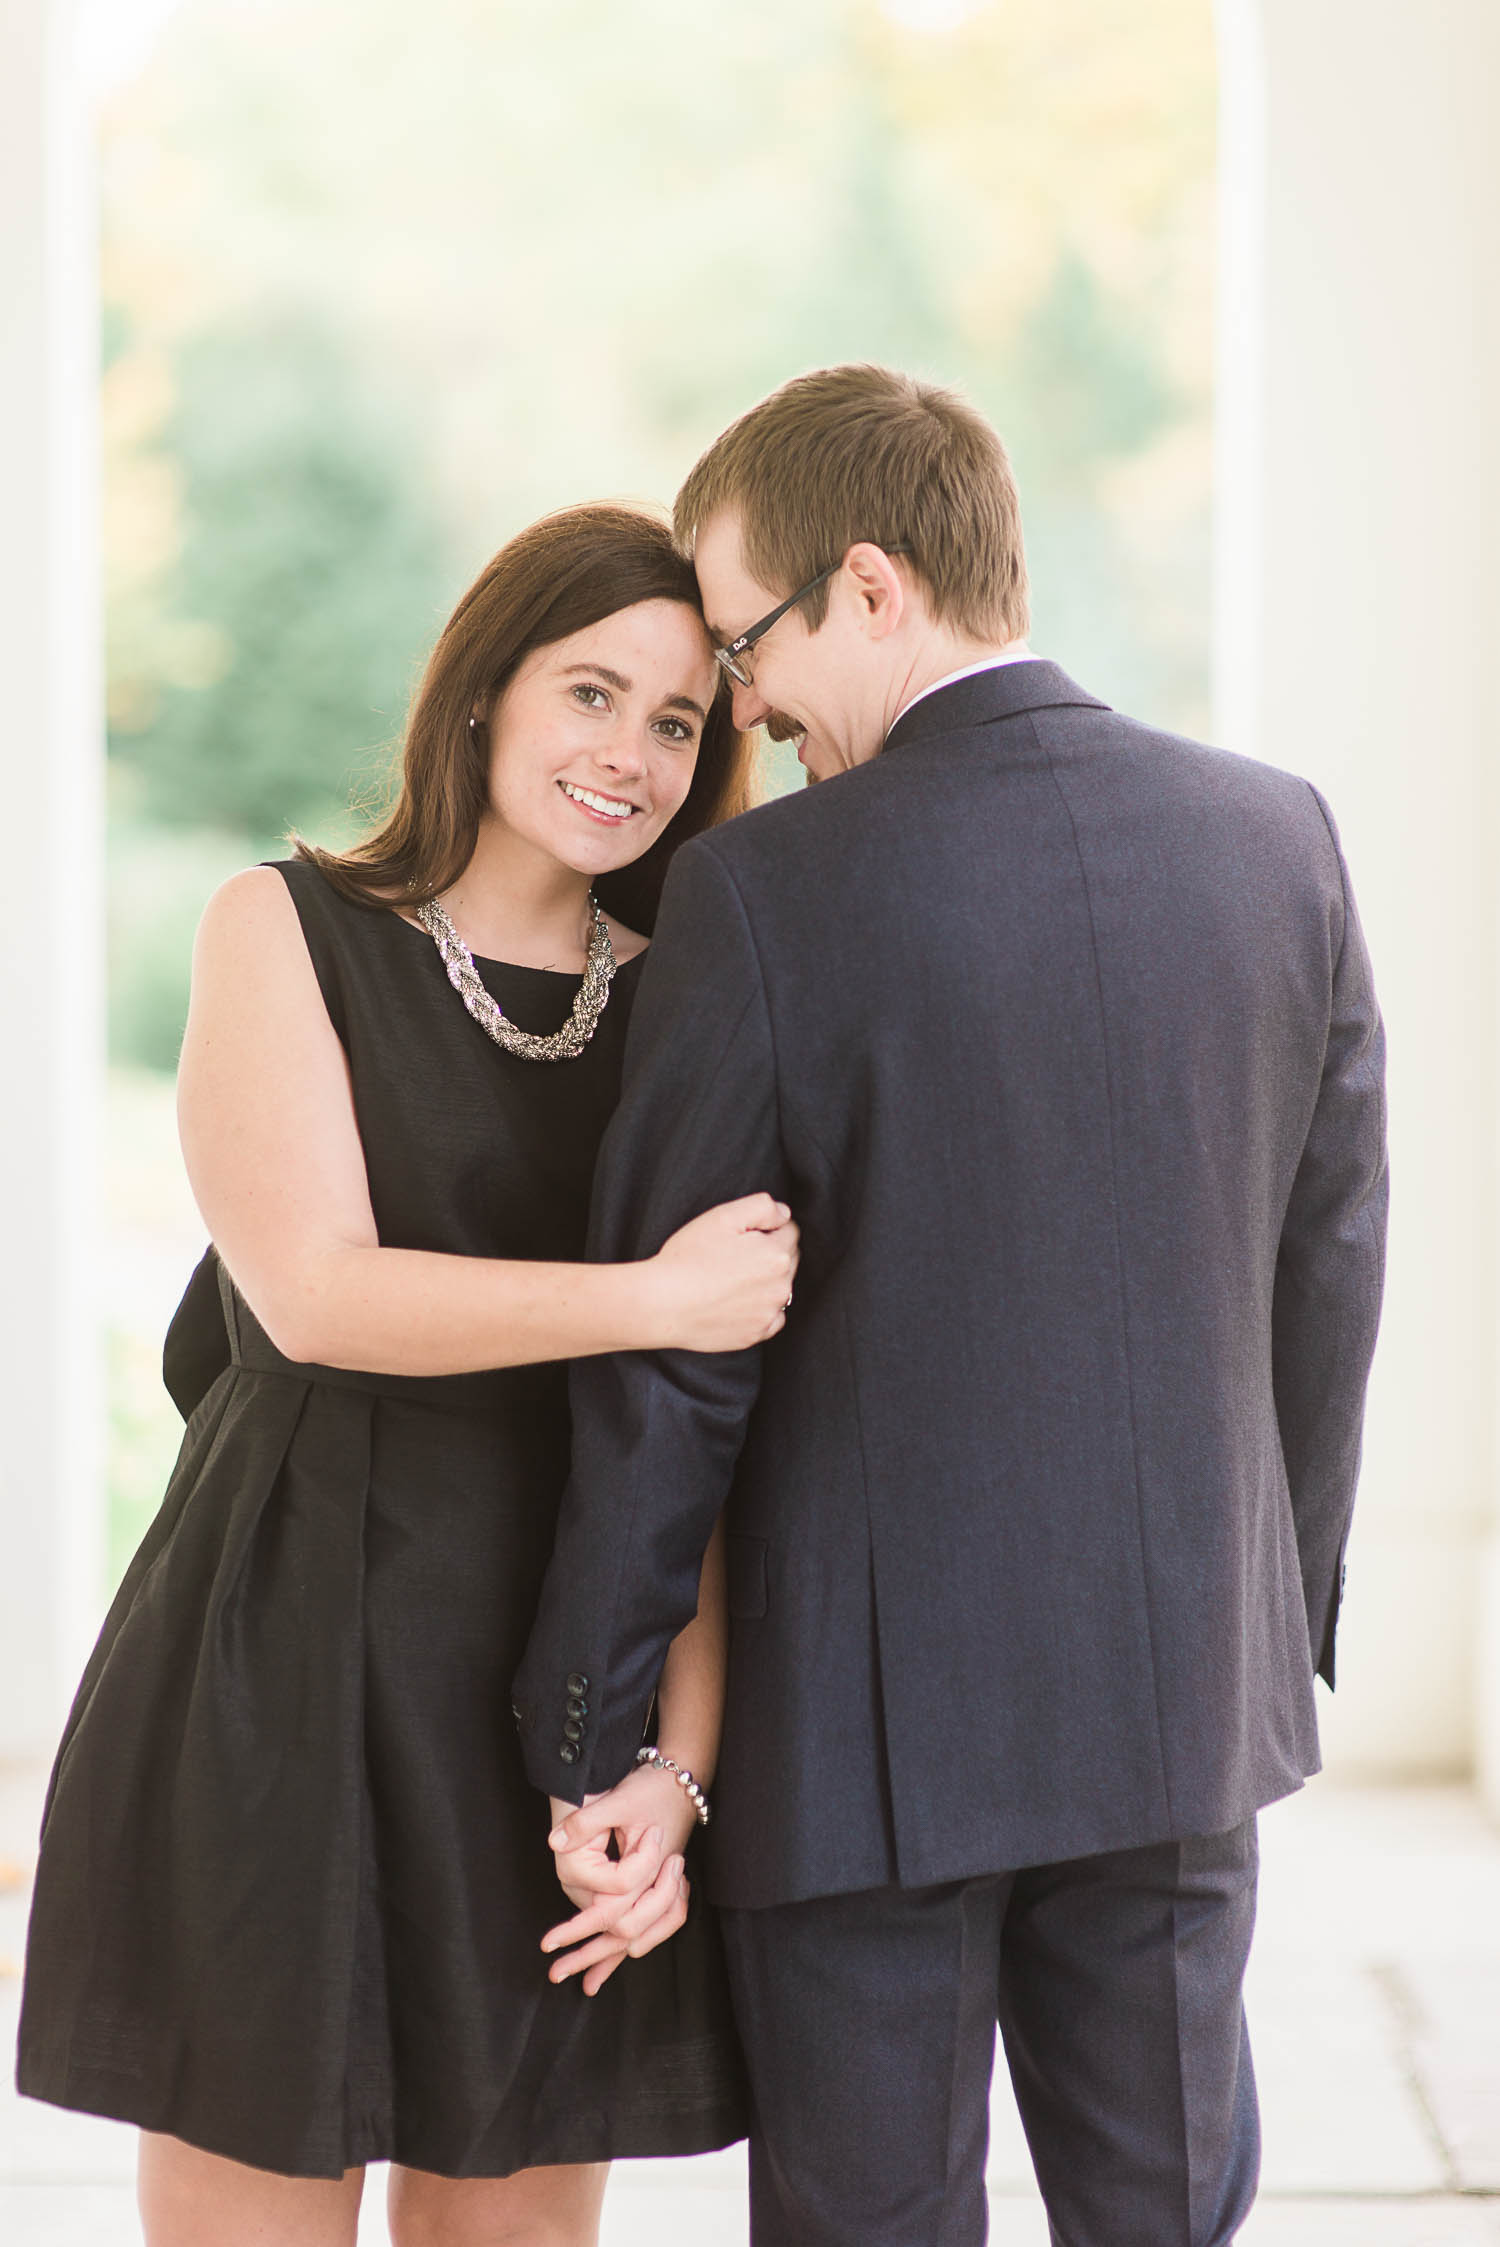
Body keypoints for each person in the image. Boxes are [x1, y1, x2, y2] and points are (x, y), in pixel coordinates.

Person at [514, 367, 1389, 2245]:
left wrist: (596, 1725)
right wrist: (1270, 1617)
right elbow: (1328, 1274)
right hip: (1178, 1710)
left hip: (864, 1739)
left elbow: (683, 1366)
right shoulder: (1277, 839)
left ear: (875, 584)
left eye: (749, 645)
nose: (744, 708)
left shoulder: (757, 897)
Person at [17, 503, 801, 2247]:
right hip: (286, 1662)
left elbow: (704, 1436)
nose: (632, 753)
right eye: (591, 692)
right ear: (481, 696)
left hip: (554, 1684)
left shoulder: (693, 1001)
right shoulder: (284, 929)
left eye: (679, 721)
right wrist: (651, 1293)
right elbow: (316, 1298)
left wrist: (673, 1775)